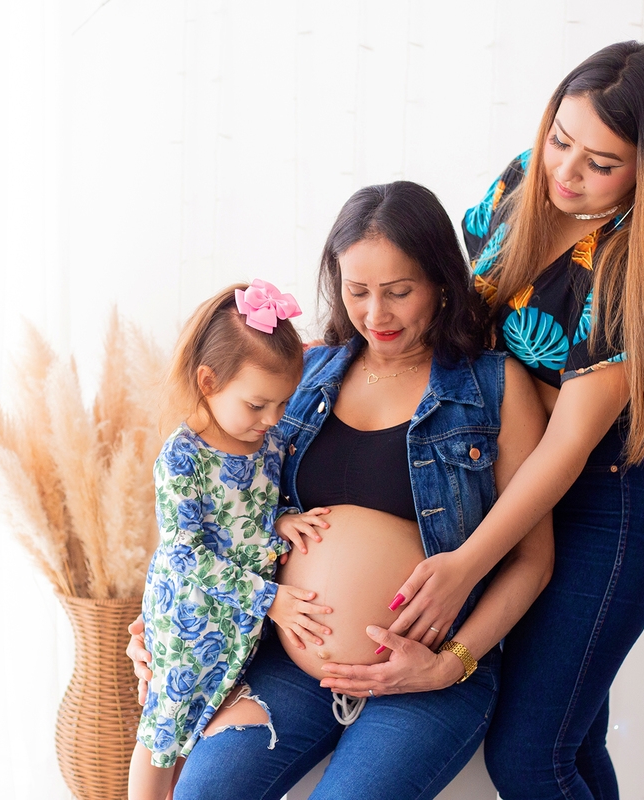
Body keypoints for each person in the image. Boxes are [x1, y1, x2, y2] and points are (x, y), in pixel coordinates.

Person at [129, 180, 555, 800]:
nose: (376, 315)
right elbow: (218, 512)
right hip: (286, 667)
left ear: (440, 281)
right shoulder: (302, 372)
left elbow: (532, 561)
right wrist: (166, 625)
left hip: (424, 679)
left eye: (399, 292)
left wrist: (450, 662)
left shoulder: (494, 388)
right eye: (358, 292)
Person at [382, 41, 644, 799]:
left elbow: (564, 450)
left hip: (608, 507)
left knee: (530, 756)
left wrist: (465, 565)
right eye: (562, 138)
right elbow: (455, 308)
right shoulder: (524, 183)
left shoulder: (630, 270)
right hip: (517, 478)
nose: (565, 171)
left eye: (601, 162)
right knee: (573, 743)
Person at [127, 280, 335, 800]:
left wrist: (282, 520)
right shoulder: (183, 458)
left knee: (203, 733)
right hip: (191, 615)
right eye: (257, 404)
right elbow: (186, 553)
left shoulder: (266, 441)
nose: (272, 419)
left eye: (283, 403)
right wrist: (272, 599)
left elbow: (254, 513)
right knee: (165, 731)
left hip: (241, 622)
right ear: (208, 381)